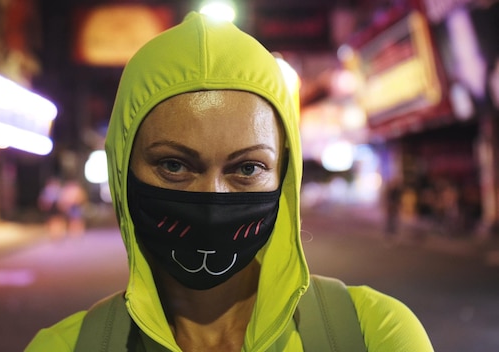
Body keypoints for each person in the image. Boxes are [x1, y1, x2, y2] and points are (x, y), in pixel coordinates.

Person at [25, 12, 434, 351]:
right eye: (174, 165)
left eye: (247, 168)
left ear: (284, 173)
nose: (211, 198)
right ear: (124, 170)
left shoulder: (373, 334)